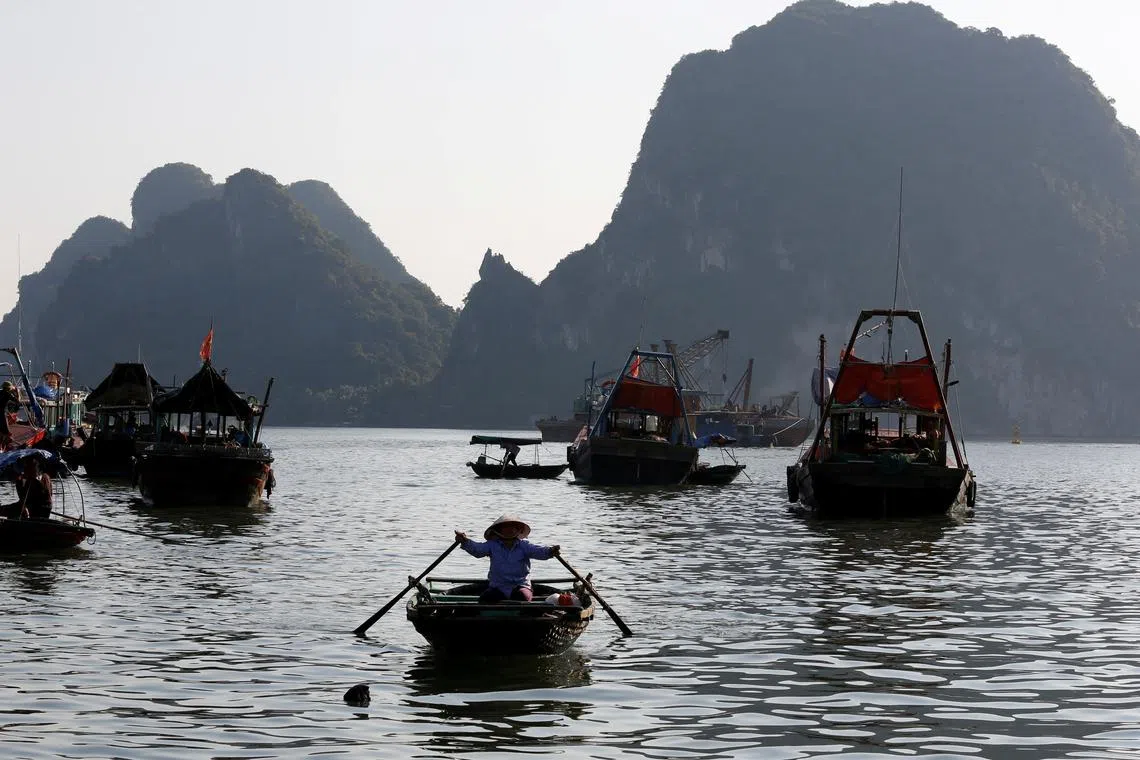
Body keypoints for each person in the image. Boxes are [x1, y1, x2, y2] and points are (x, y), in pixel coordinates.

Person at [454, 515, 560, 603]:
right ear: (499, 530)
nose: (509, 530)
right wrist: (464, 541)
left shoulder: (524, 546)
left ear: (518, 530)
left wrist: (551, 551)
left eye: (513, 527)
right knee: (485, 600)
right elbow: (477, 550)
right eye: (506, 527)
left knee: (522, 598)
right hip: (498, 587)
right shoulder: (492, 545)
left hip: (521, 586)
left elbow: (539, 551)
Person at [0, 381, 17, 450]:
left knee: (1, 431)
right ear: (9, 388)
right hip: (1, 414)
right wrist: (16, 391)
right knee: (6, 432)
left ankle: (2, 446)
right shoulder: (8, 394)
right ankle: (5, 447)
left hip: (1, 414)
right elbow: (17, 400)